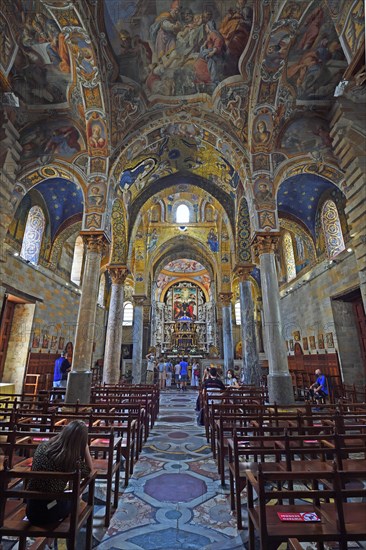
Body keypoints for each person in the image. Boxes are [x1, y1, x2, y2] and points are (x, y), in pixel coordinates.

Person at [26, 421, 93, 525]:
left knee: (65, 494)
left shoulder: (42, 446)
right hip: (49, 510)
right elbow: (89, 472)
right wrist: (85, 447)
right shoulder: (70, 458)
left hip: (31, 508)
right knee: (77, 498)